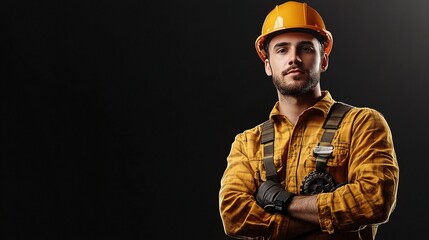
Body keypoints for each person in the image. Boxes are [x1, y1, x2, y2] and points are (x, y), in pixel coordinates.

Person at [218, 1, 399, 239]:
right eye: (282, 50)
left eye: (305, 48)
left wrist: (283, 202)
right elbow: (234, 215)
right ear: (268, 65)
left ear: (323, 60)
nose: (293, 58)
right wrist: (320, 219)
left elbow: (373, 200)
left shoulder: (362, 124)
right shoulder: (247, 143)